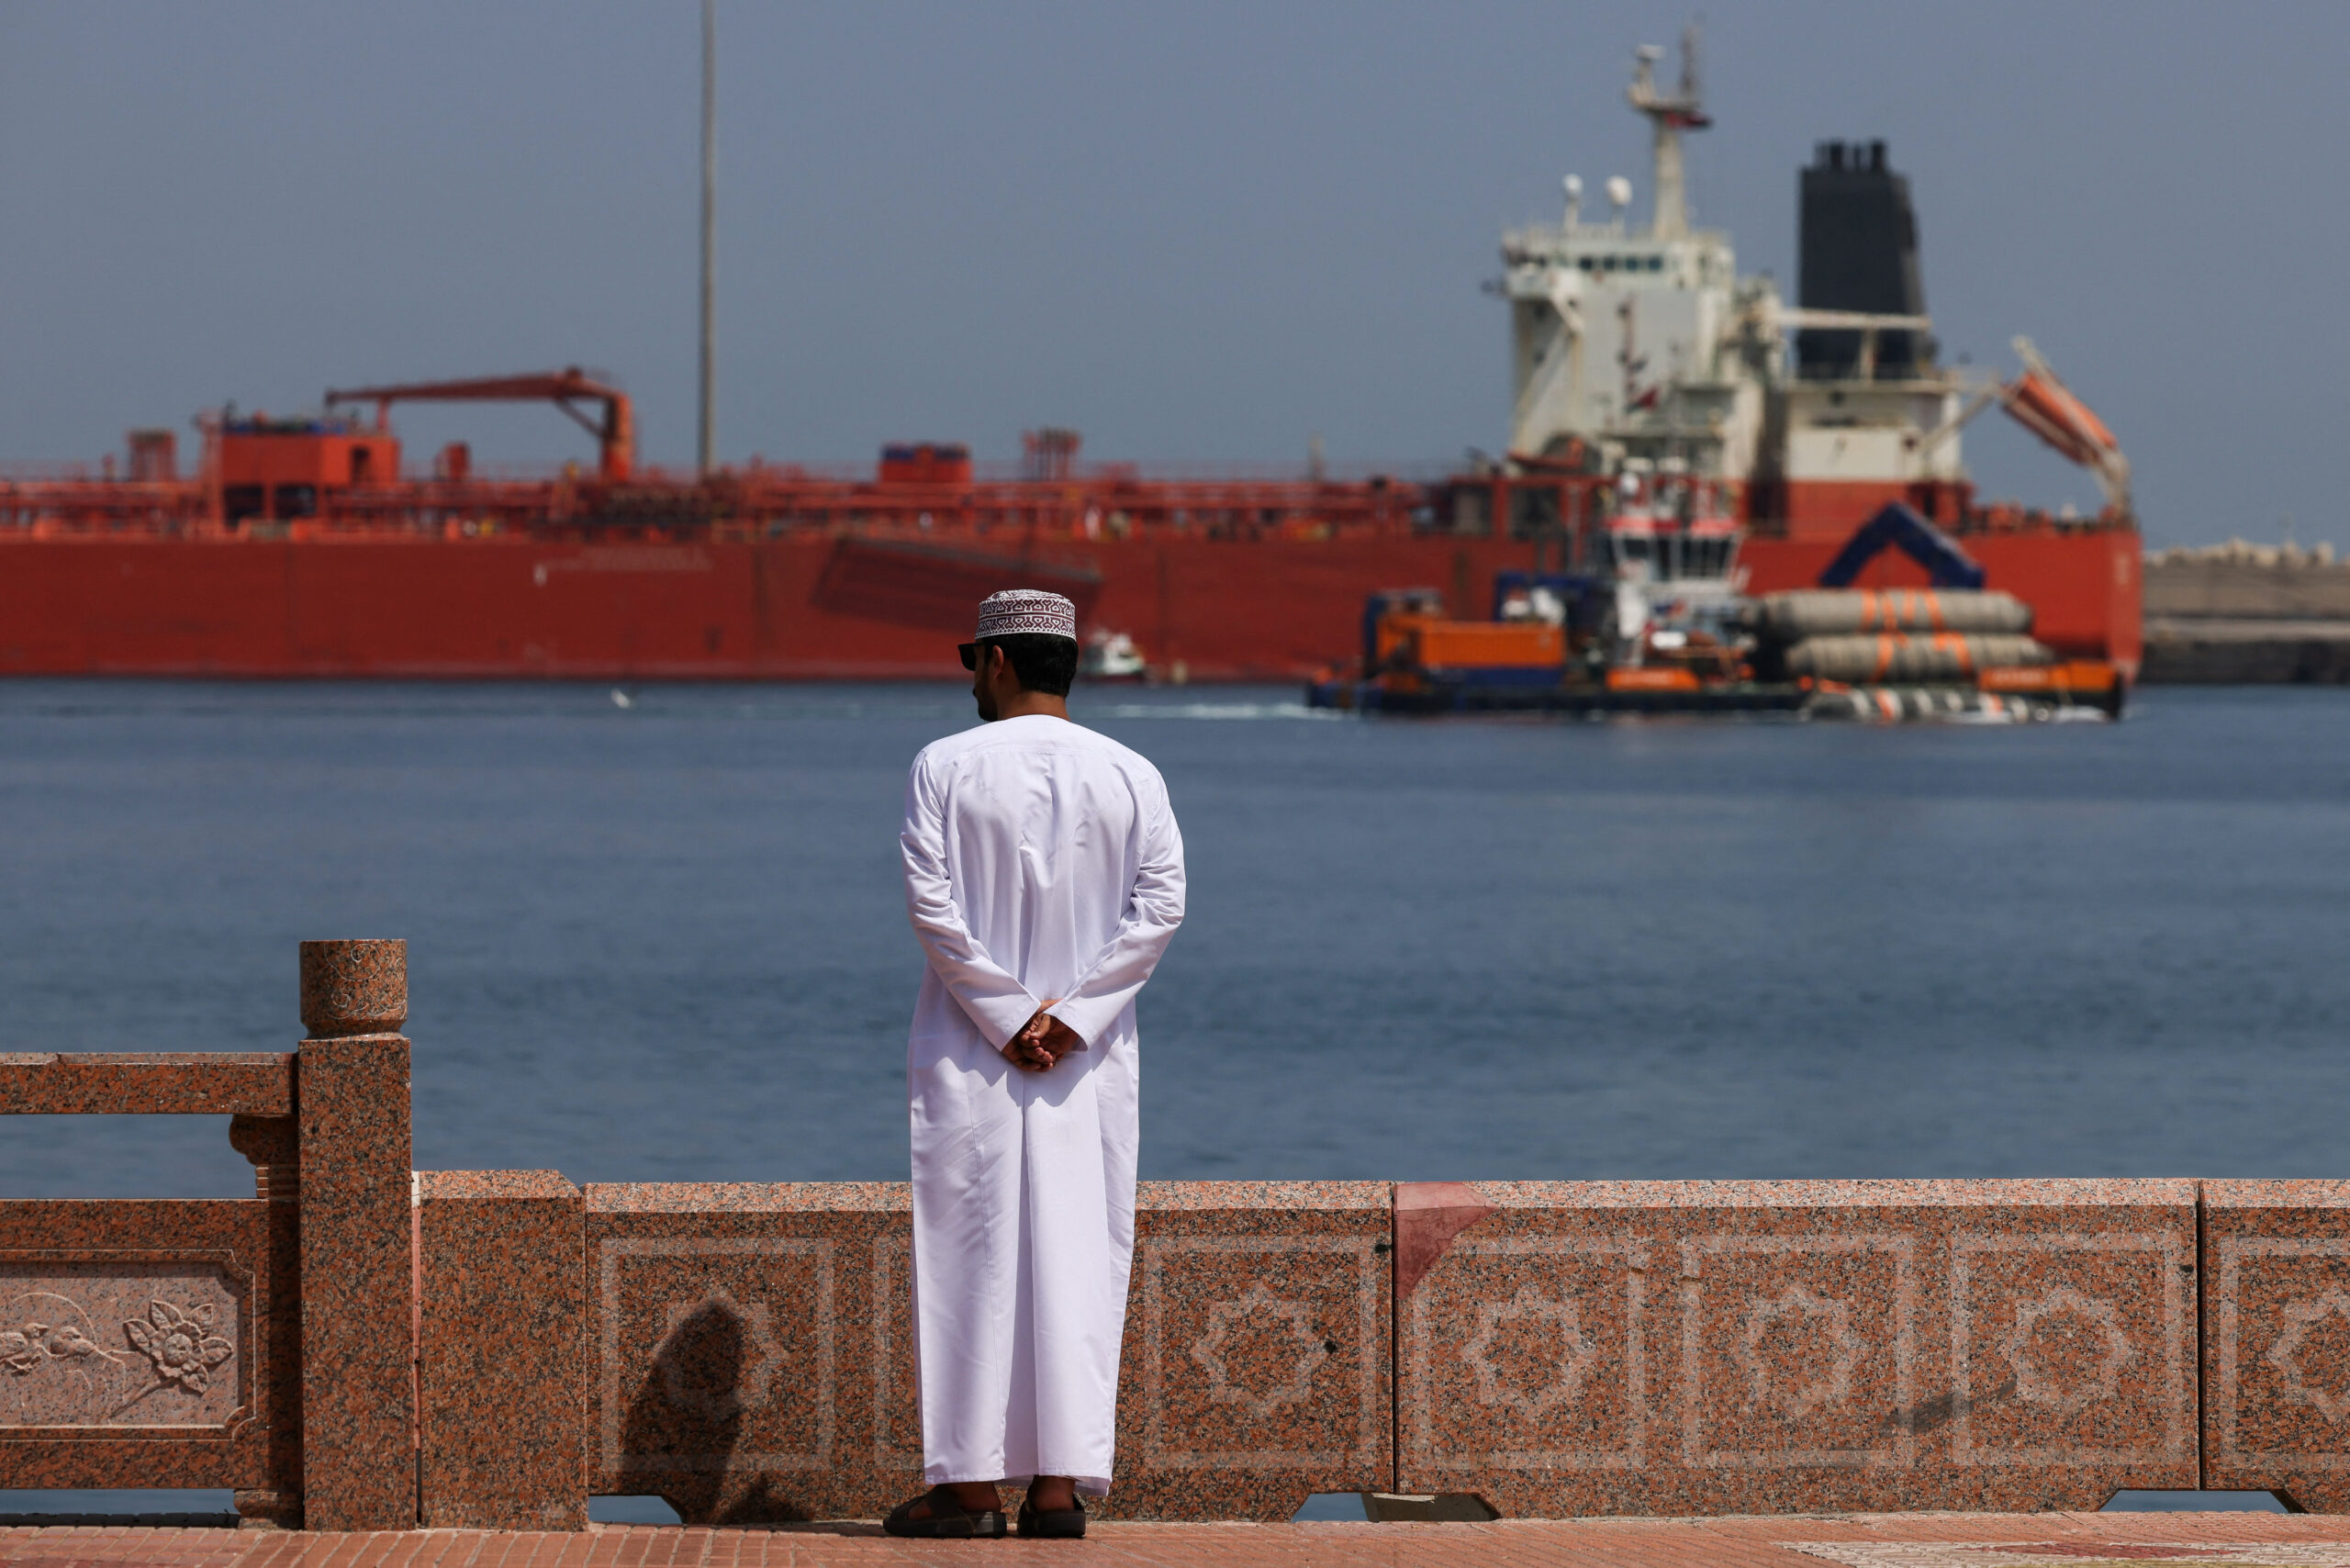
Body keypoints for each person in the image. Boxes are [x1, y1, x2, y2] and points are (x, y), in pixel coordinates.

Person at [885, 589, 1187, 1541]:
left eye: (975, 657)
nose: (973, 675)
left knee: (968, 1256)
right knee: (1080, 1257)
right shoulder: (1133, 772)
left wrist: (1009, 1015)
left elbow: (931, 903)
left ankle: (970, 1491)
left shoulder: (942, 764)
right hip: (1086, 1064)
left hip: (973, 1051)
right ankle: (1057, 1488)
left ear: (1000, 663)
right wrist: (1075, 1016)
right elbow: (1161, 907)